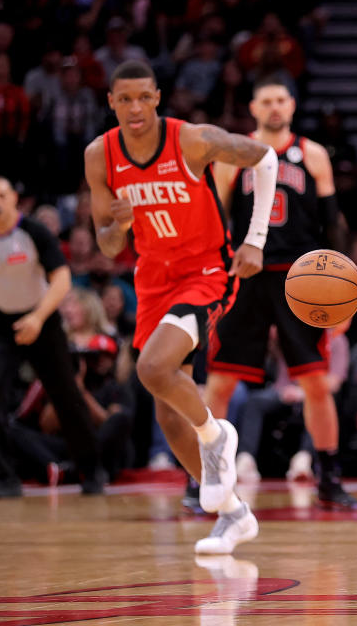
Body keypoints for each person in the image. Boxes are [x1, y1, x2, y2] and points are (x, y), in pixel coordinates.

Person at [84, 60, 278, 554]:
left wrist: (255, 241)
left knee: (152, 366)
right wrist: (118, 227)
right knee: (168, 412)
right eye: (123, 99)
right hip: (152, 278)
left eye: (142, 98)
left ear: (157, 97)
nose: (133, 108)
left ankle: (216, 438)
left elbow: (266, 158)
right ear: (111, 102)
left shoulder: (191, 139)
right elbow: (106, 247)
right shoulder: (99, 155)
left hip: (207, 271)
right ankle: (234, 514)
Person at [203, 77, 357, 509]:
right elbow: (215, 219)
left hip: (301, 280)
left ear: (291, 105)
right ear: (253, 107)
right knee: (218, 383)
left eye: (280, 100)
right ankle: (205, 477)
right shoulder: (234, 154)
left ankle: (328, 476)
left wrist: (346, 290)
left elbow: (334, 224)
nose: (274, 107)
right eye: (265, 101)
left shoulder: (312, 153)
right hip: (244, 277)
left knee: (316, 384)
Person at [0, 176, 104, 497]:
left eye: (2, 195)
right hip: (3, 325)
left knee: (66, 396)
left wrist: (38, 317)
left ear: (13, 199)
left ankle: (91, 472)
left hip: (43, 320)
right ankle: (5, 477)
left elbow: (62, 279)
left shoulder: (34, 232)